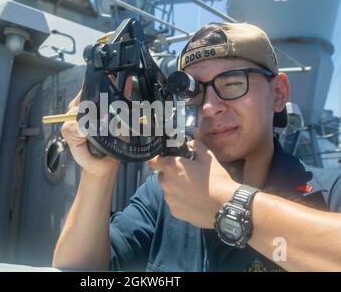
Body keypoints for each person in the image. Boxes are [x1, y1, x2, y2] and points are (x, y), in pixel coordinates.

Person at [52, 22, 341, 272]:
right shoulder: (162, 194)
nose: (210, 107)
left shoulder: (331, 192)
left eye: (231, 83)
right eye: (194, 92)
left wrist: (228, 203)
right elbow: (84, 270)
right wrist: (98, 172)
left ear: (278, 93)